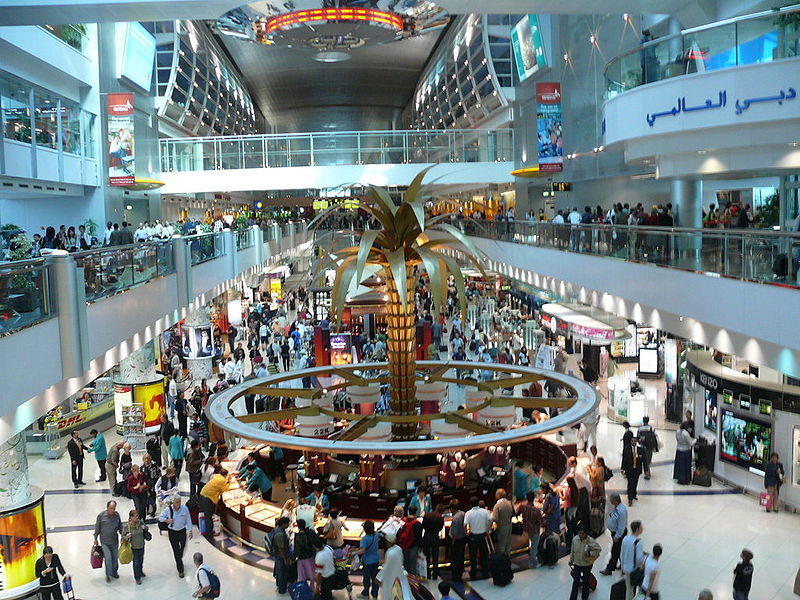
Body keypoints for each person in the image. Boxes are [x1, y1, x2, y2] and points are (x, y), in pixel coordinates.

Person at [159, 496, 194, 577]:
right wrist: (166, 520)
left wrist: (190, 530)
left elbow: (188, 519)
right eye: (177, 502)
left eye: (179, 501)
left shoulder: (184, 508)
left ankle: (179, 556)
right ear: (173, 502)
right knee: (176, 551)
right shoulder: (168, 510)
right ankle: (180, 570)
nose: (179, 503)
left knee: (183, 546)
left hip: (182, 531)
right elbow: (160, 518)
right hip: (172, 532)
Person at [94, 500, 123, 583]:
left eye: (114, 508)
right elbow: (97, 527)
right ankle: (108, 575)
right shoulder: (101, 516)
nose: (112, 510)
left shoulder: (117, 515)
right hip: (104, 541)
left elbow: (120, 527)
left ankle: (114, 572)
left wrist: (124, 535)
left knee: (115, 558)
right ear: (107, 508)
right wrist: (95, 538)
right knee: (108, 558)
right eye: (111, 508)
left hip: (114, 540)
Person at [569, 527, 601, 600]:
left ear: (585, 533)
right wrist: (571, 560)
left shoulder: (591, 541)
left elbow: (598, 549)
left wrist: (589, 553)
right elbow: (572, 551)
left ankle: (585, 597)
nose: (581, 535)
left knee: (586, 581)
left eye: (582, 533)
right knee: (576, 582)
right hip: (577, 564)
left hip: (587, 565)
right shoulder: (575, 540)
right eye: (579, 533)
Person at [600, 494, 628, 575]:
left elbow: (622, 525)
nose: (610, 501)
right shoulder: (616, 508)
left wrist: (617, 536)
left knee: (615, 551)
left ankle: (609, 568)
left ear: (615, 500)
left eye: (611, 500)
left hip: (619, 534)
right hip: (615, 533)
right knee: (619, 550)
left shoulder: (621, 511)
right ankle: (623, 565)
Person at [464, 496, 491, 580]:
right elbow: (490, 521)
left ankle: (473, 573)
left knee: (473, 556)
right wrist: (488, 531)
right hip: (483, 536)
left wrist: (466, 533)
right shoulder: (485, 512)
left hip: (473, 537)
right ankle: (485, 573)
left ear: (470, 504)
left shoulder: (468, 513)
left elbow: (465, 524)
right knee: (484, 556)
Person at [199, 467, 229, 539]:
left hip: (203, 495)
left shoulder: (217, 476)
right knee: (208, 517)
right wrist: (228, 483)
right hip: (208, 498)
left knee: (208, 515)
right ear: (225, 475)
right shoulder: (222, 480)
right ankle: (209, 534)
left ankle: (209, 531)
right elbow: (225, 489)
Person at [122, 509, 149, 585]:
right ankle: (137, 577)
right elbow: (123, 537)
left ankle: (140, 571)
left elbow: (146, 528)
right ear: (131, 517)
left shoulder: (141, 523)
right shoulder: (127, 527)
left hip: (141, 545)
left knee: (141, 560)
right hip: (133, 547)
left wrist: (145, 528)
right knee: (136, 562)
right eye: (135, 516)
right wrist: (127, 536)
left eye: (137, 516)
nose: (137, 518)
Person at [355, 520, 380, 598]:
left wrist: (353, 553)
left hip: (367, 561)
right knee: (375, 578)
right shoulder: (376, 534)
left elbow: (362, 550)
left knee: (366, 578)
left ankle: (365, 593)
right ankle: (375, 595)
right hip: (376, 560)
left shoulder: (365, 539)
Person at [620, 520, 645, 600]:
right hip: (634, 570)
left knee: (629, 590)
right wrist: (641, 565)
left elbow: (622, 555)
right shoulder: (638, 542)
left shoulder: (625, 539)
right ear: (637, 529)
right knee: (640, 589)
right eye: (641, 527)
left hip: (626, 569)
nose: (642, 528)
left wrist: (622, 567)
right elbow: (639, 558)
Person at [518, 490, 542, 568]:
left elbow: (517, 513)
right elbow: (540, 521)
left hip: (526, 529)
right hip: (535, 530)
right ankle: (532, 563)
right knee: (534, 546)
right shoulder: (536, 510)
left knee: (531, 544)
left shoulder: (523, 507)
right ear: (534, 498)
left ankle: (532, 559)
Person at [421, 503, 445, 579]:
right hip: (435, 537)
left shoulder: (427, 515)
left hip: (427, 537)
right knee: (435, 557)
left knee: (426, 557)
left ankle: (427, 574)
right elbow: (441, 528)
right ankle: (435, 574)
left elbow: (423, 525)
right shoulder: (441, 518)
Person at [294, 518, 320, 586]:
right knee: (311, 574)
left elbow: (297, 549)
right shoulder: (310, 532)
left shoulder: (298, 536)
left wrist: (294, 557)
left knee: (302, 575)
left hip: (301, 558)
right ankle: (312, 588)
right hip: (310, 556)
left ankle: (304, 589)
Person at [272, 516, 293, 595]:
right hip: (280, 555)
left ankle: (279, 584)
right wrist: (285, 558)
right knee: (282, 572)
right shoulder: (280, 534)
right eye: (288, 523)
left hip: (277, 554)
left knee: (279, 570)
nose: (288, 525)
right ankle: (282, 588)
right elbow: (281, 548)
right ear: (284, 524)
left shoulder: (277, 529)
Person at [491, 488, 514, 556]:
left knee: (501, 546)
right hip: (509, 526)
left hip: (501, 527)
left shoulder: (497, 506)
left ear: (498, 495)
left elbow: (495, 518)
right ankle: (508, 561)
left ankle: (502, 563)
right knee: (508, 545)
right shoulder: (509, 503)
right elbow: (512, 513)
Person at [448, 499, 467, 582]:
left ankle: (455, 576)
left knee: (455, 559)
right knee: (461, 557)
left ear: (452, 508)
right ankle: (460, 572)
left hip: (457, 540)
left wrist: (452, 542)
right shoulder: (463, 513)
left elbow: (454, 533)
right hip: (463, 538)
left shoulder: (455, 518)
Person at [621, 436, 643, 506]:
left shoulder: (640, 450)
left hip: (637, 470)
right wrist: (622, 468)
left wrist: (646, 470)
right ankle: (630, 498)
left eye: (634, 441)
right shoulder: (626, 449)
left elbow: (644, 460)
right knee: (630, 483)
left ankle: (634, 494)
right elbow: (624, 459)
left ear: (636, 442)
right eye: (632, 441)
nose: (633, 442)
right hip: (629, 469)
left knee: (635, 482)